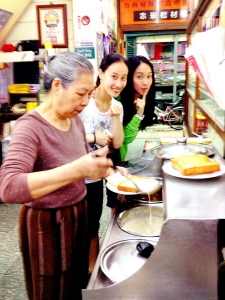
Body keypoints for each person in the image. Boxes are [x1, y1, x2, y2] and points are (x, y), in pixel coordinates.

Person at [0, 52, 115, 300]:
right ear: (56, 86)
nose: (86, 101)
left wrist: (109, 170)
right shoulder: (30, 126)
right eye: (80, 93)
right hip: (47, 223)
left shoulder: (74, 120)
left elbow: (86, 162)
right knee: (51, 290)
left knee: (75, 282)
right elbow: (9, 186)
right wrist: (78, 169)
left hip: (78, 214)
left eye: (89, 93)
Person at [79, 53, 129, 272]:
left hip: (96, 177)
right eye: (114, 76)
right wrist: (93, 138)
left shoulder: (117, 106)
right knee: (76, 229)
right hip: (74, 175)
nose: (118, 84)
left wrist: (116, 117)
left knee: (92, 227)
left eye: (124, 78)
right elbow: (65, 136)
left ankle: (93, 272)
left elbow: (117, 143)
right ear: (100, 74)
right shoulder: (83, 101)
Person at [106, 55, 156, 208]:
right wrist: (138, 114)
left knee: (120, 194)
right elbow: (124, 139)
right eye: (139, 76)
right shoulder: (118, 99)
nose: (145, 82)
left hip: (119, 154)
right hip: (108, 154)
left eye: (149, 76)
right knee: (115, 197)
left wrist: (140, 112)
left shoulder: (142, 98)